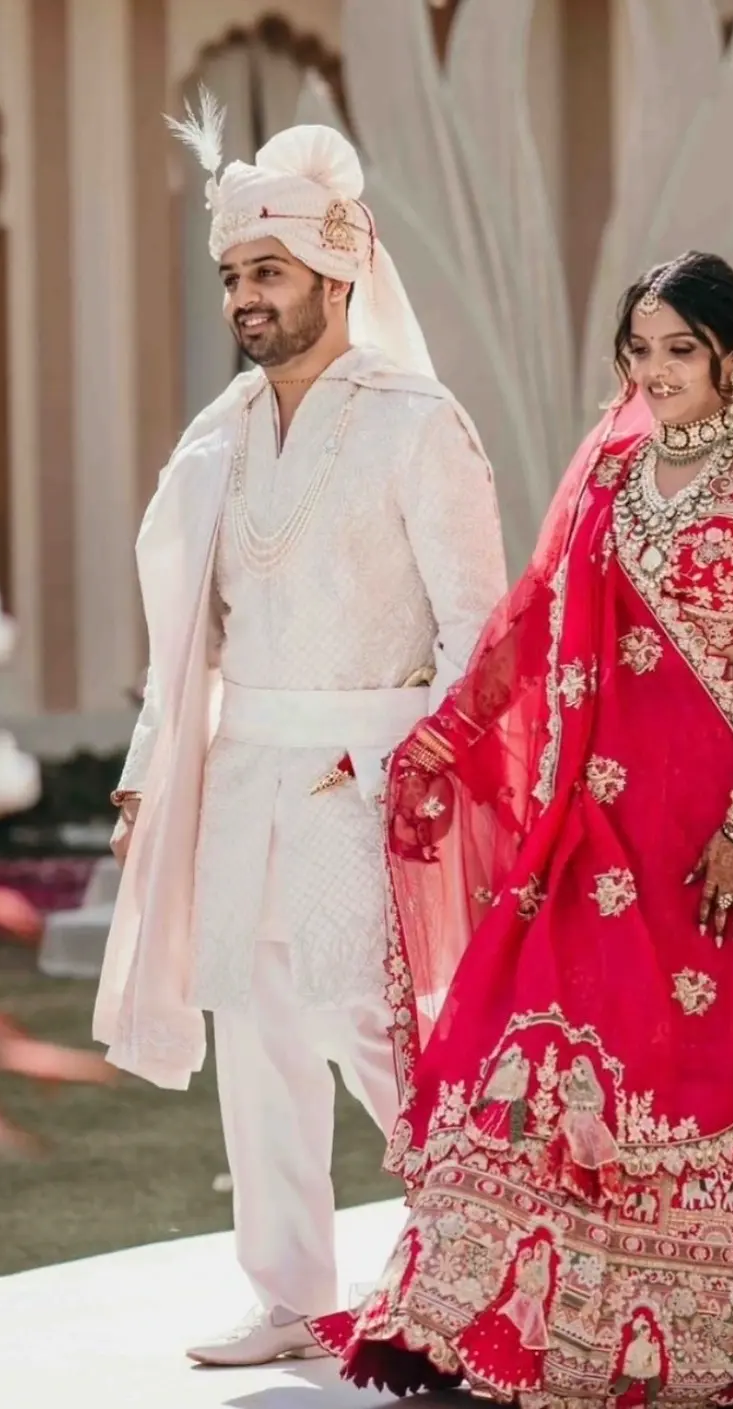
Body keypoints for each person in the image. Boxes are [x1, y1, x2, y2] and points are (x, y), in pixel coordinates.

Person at [311, 252, 733, 1405]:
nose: (655, 372)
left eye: (679, 349)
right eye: (640, 348)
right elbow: (533, 627)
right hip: (605, 822)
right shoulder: (613, 476)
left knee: (722, 1055)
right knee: (552, 1045)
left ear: (730, 354)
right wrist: (441, 739)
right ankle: (481, 1303)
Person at [91, 98, 507, 1368]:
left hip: (371, 776)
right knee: (257, 1036)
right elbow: (186, 629)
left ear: (337, 268)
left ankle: (467, 1275)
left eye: (267, 271)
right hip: (242, 771)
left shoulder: (415, 422)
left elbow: (480, 631)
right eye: (232, 276)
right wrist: (146, 769)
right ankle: (291, 1294)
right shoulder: (217, 435)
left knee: (380, 1028)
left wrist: (417, 772)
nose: (246, 298)